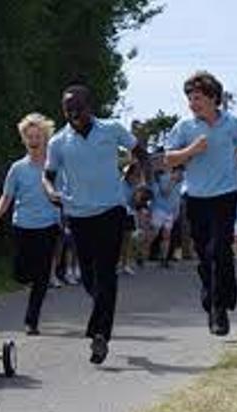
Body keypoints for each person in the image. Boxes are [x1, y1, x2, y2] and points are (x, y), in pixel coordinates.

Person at [42, 84, 141, 364]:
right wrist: (51, 192)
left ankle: (100, 335)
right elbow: (48, 175)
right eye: (68, 109)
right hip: (78, 215)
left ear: (90, 107)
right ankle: (101, 314)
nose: (73, 113)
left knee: (106, 272)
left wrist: (139, 179)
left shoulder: (111, 129)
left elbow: (139, 151)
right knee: (89, 278)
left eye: (78, 107)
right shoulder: (58, 142)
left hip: (111, 210)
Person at [165, 71, 237, 336]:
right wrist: (190, 150)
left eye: (198, 98)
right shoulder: (184, 126)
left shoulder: (232, 123)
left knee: (219, 250)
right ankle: (218, 289)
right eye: (190, 99)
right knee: (205, 254)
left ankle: (218, 312)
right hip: (195, 197)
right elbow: (169, 159)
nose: (193, 104)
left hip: (225, 195)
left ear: (214, 98)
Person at [0, 112, 61, 335]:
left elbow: (67, 191)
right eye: (30, 137)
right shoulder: (17, 168)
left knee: (42, 277)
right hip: (23, 225)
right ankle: (27, 278)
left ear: (45, 138)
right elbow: (6, 196)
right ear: (24, 139)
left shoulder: (55, 167)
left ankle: (31, 320)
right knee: (21, 272)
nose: (34, 141)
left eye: (38, 137)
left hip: (48, 226)